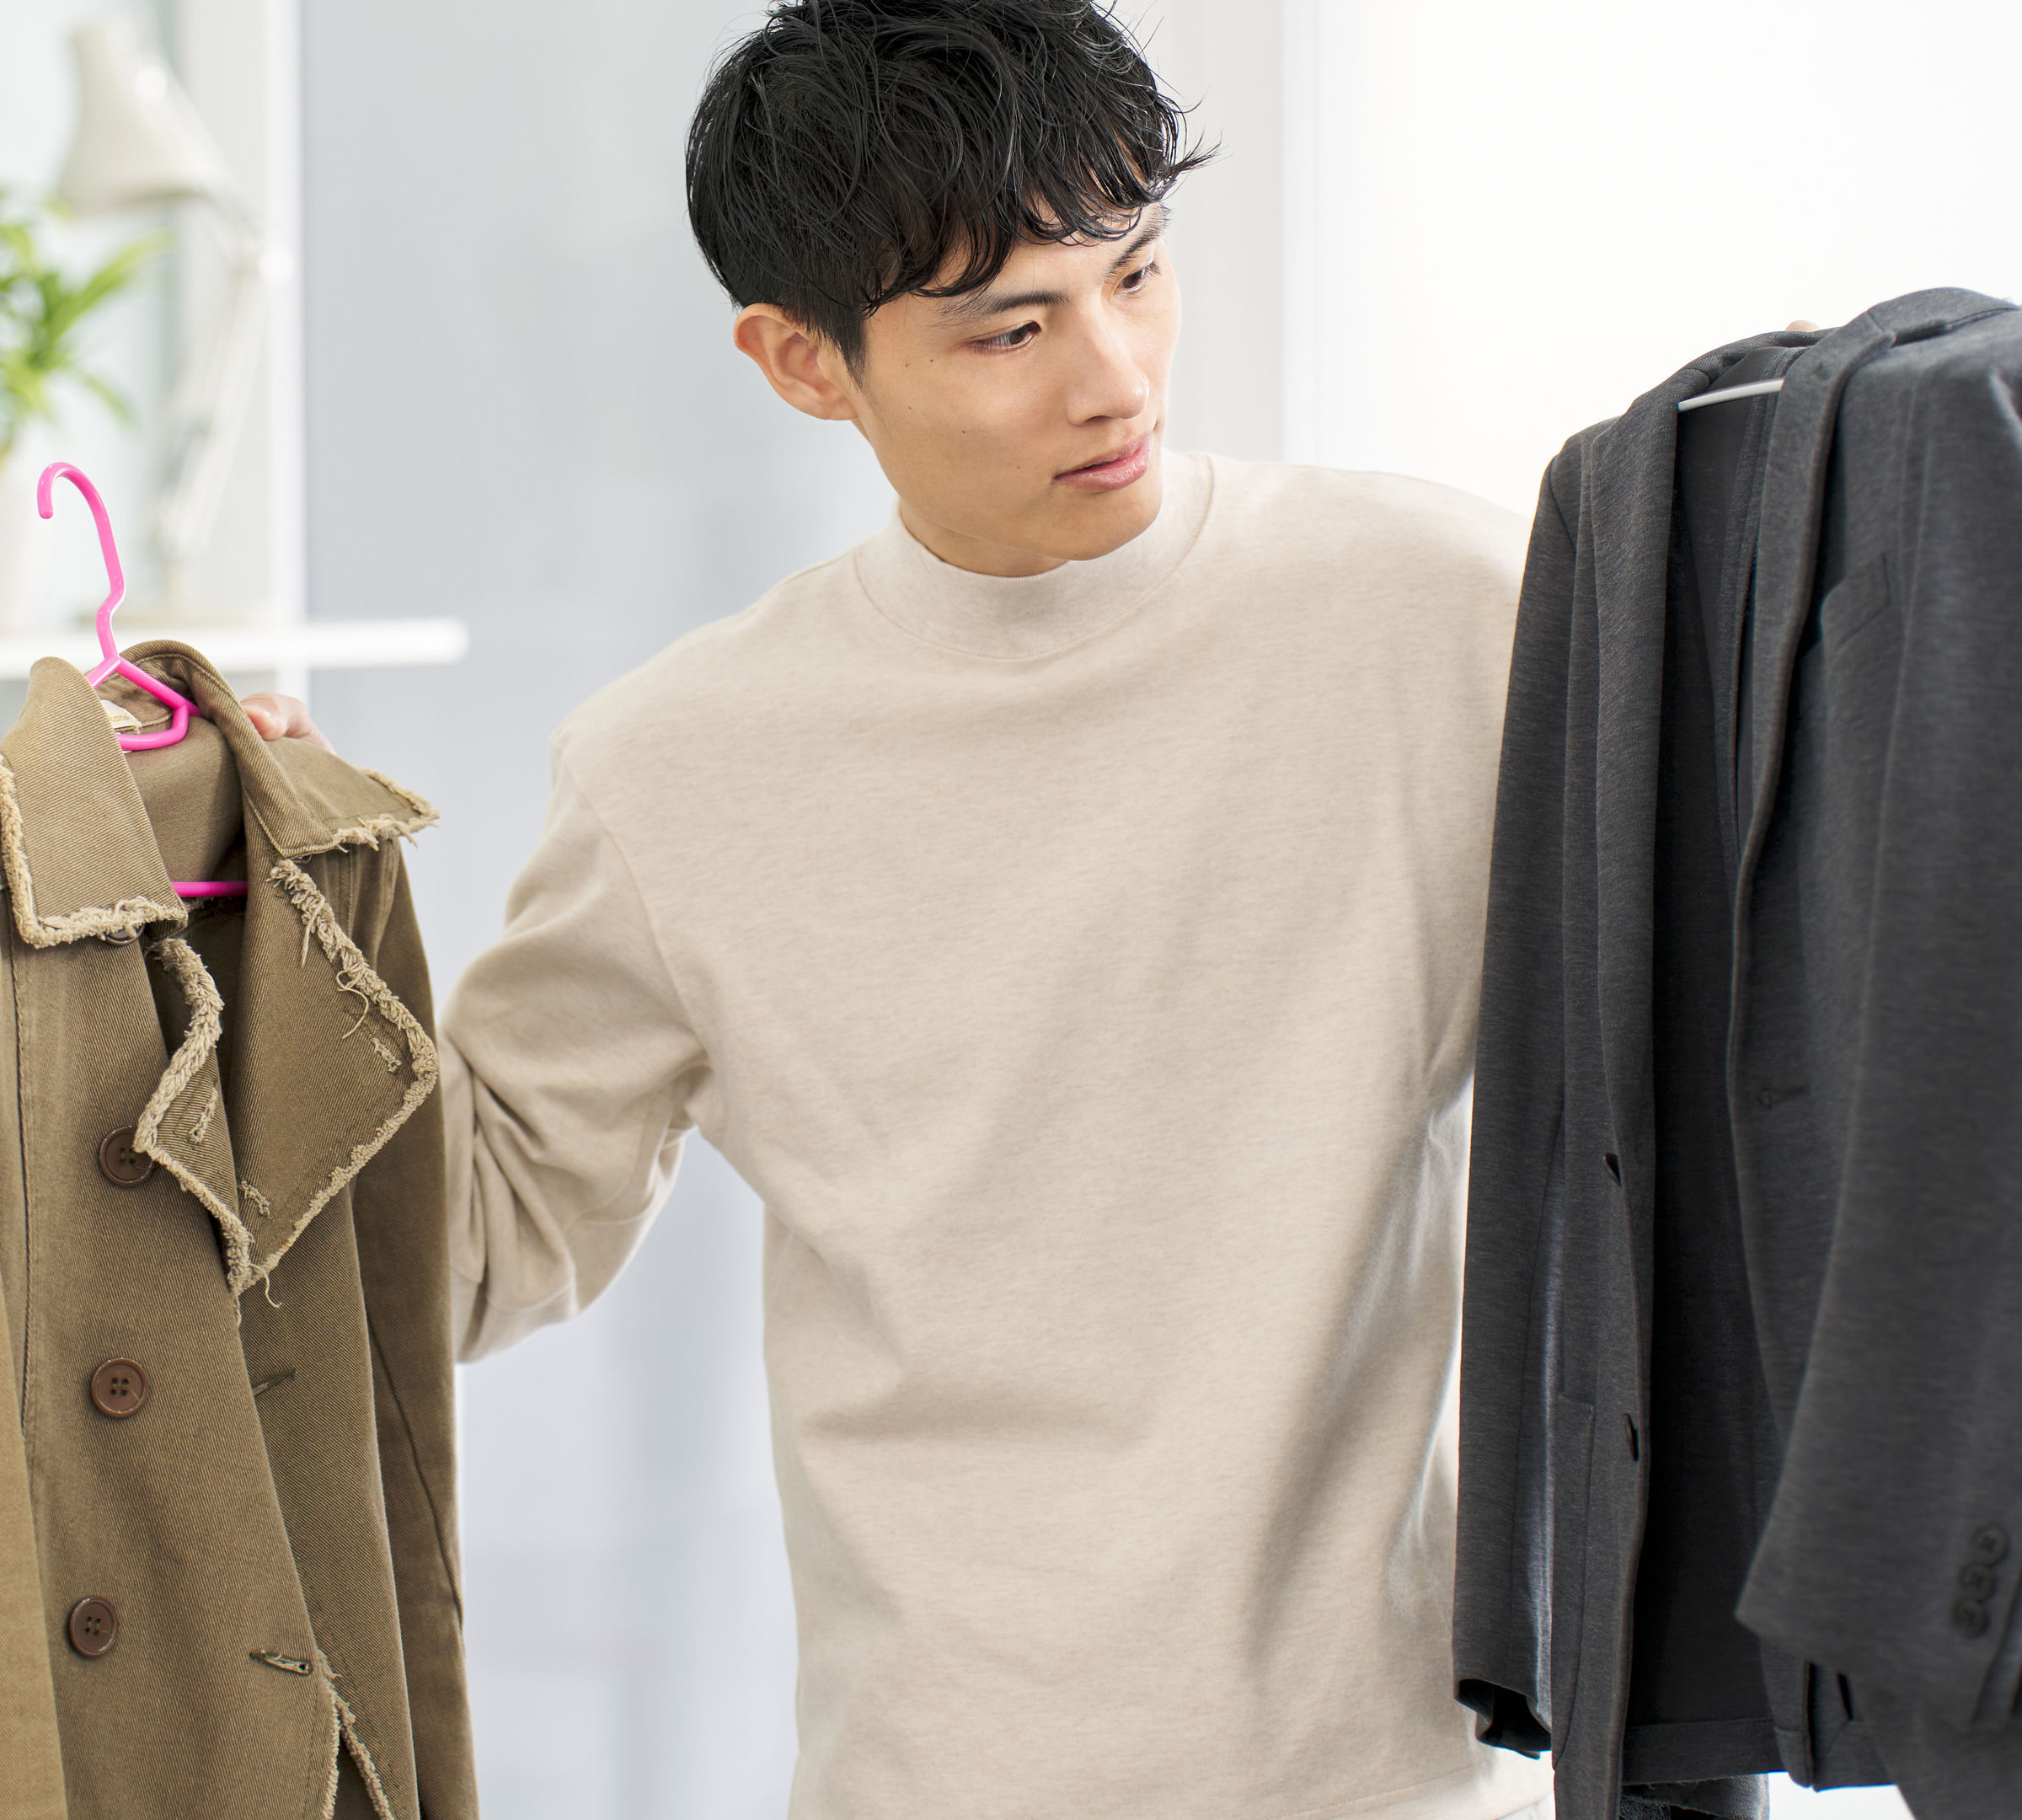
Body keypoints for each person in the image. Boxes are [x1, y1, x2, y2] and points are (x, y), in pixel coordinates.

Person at [249, 3, 1552, 1813]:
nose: (1115, 374)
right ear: (802, 361)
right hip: (944, 1765)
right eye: (1012, 326)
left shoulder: (1454, 612)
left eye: (1138, 273)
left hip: (1396, 1772)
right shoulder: (679, 768)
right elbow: (467, 1252)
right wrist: (277, 921)